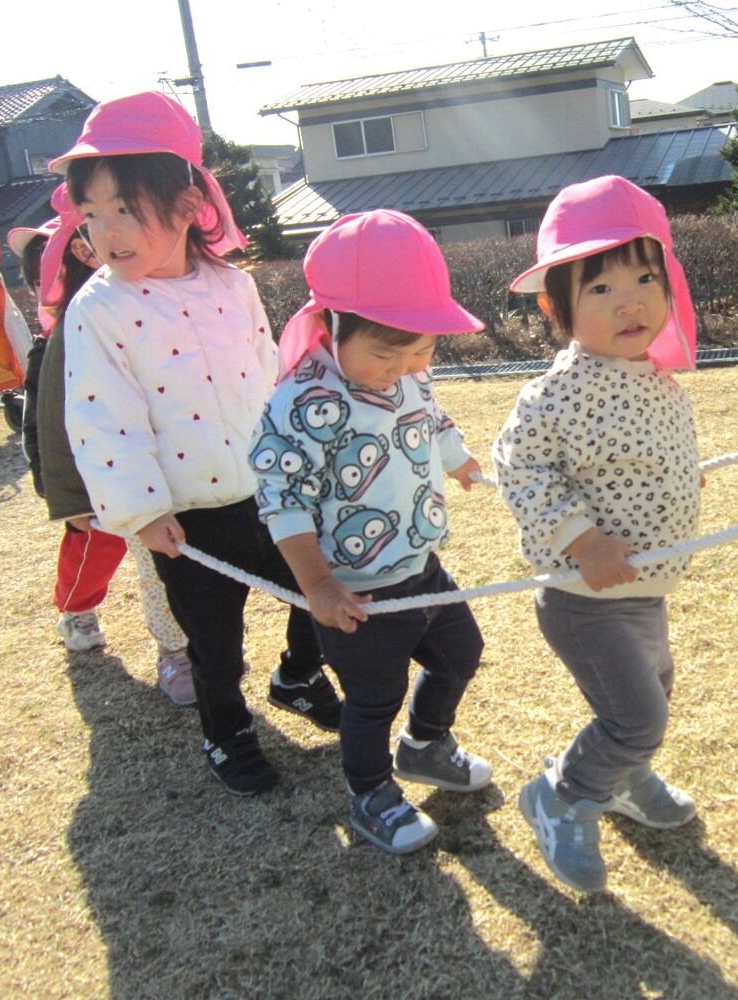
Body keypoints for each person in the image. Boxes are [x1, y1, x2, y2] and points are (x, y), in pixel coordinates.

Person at [53, 91, 342, 795]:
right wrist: (143, 511)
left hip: (269, 493)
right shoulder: (100, 308)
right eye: (90, 214)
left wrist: (304, 458)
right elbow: (103, 418)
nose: (105, 231)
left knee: (316, 590)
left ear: (187, 204)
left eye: (126, 208)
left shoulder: (232, 287)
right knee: (214, 643)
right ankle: (226, 730)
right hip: (187, 516)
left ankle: (298, 676)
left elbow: (270, 378)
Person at [253, 209, 491, 854]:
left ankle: (426, 745)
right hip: (355, 592)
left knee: (460, 653)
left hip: (421, 567)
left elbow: (431, 416)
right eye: (387, 354)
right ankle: (371, 793)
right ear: (332, 327)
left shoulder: (410, 371)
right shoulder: (302, 403)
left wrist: (457, 459)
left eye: (423, 351)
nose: (405, 367)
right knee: (373, 697)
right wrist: (319, 586)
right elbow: (283, 503)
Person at [491, 176, 702, 893]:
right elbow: (519, 467)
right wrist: (582, 540)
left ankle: (625, 781)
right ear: (556, 308)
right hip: (585, 598)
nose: (630, 302)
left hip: (645, 589)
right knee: (636, 717)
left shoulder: (652, 376)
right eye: (602, 287)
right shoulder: (561, 390)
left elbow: (637, 456)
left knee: (653, 696)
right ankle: (563, 794)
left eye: (645, 279)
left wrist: (681, 482)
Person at [10, 216, 193, 702]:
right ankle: (77, 611)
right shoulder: (57, 343)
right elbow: (44, 424)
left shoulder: (143, 312)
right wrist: (62, 491)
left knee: (166, 557)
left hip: (153, 469)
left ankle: (188, 646)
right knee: (92, 552)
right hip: (89, 483)